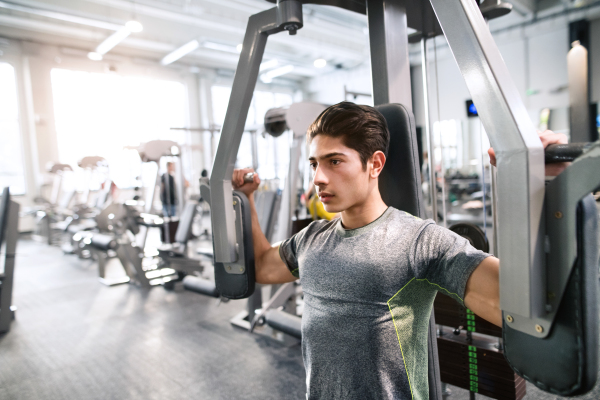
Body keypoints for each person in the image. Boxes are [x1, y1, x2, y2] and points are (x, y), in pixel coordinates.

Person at [232, 102, 567, 400]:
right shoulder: (310, 238)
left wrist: (546, 183)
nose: (318, 178)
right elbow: (261, 266)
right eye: (314, 163)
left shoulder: (419, 240)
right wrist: (246, 199)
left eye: (334, 161)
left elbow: (519, 304)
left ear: (374, 164)